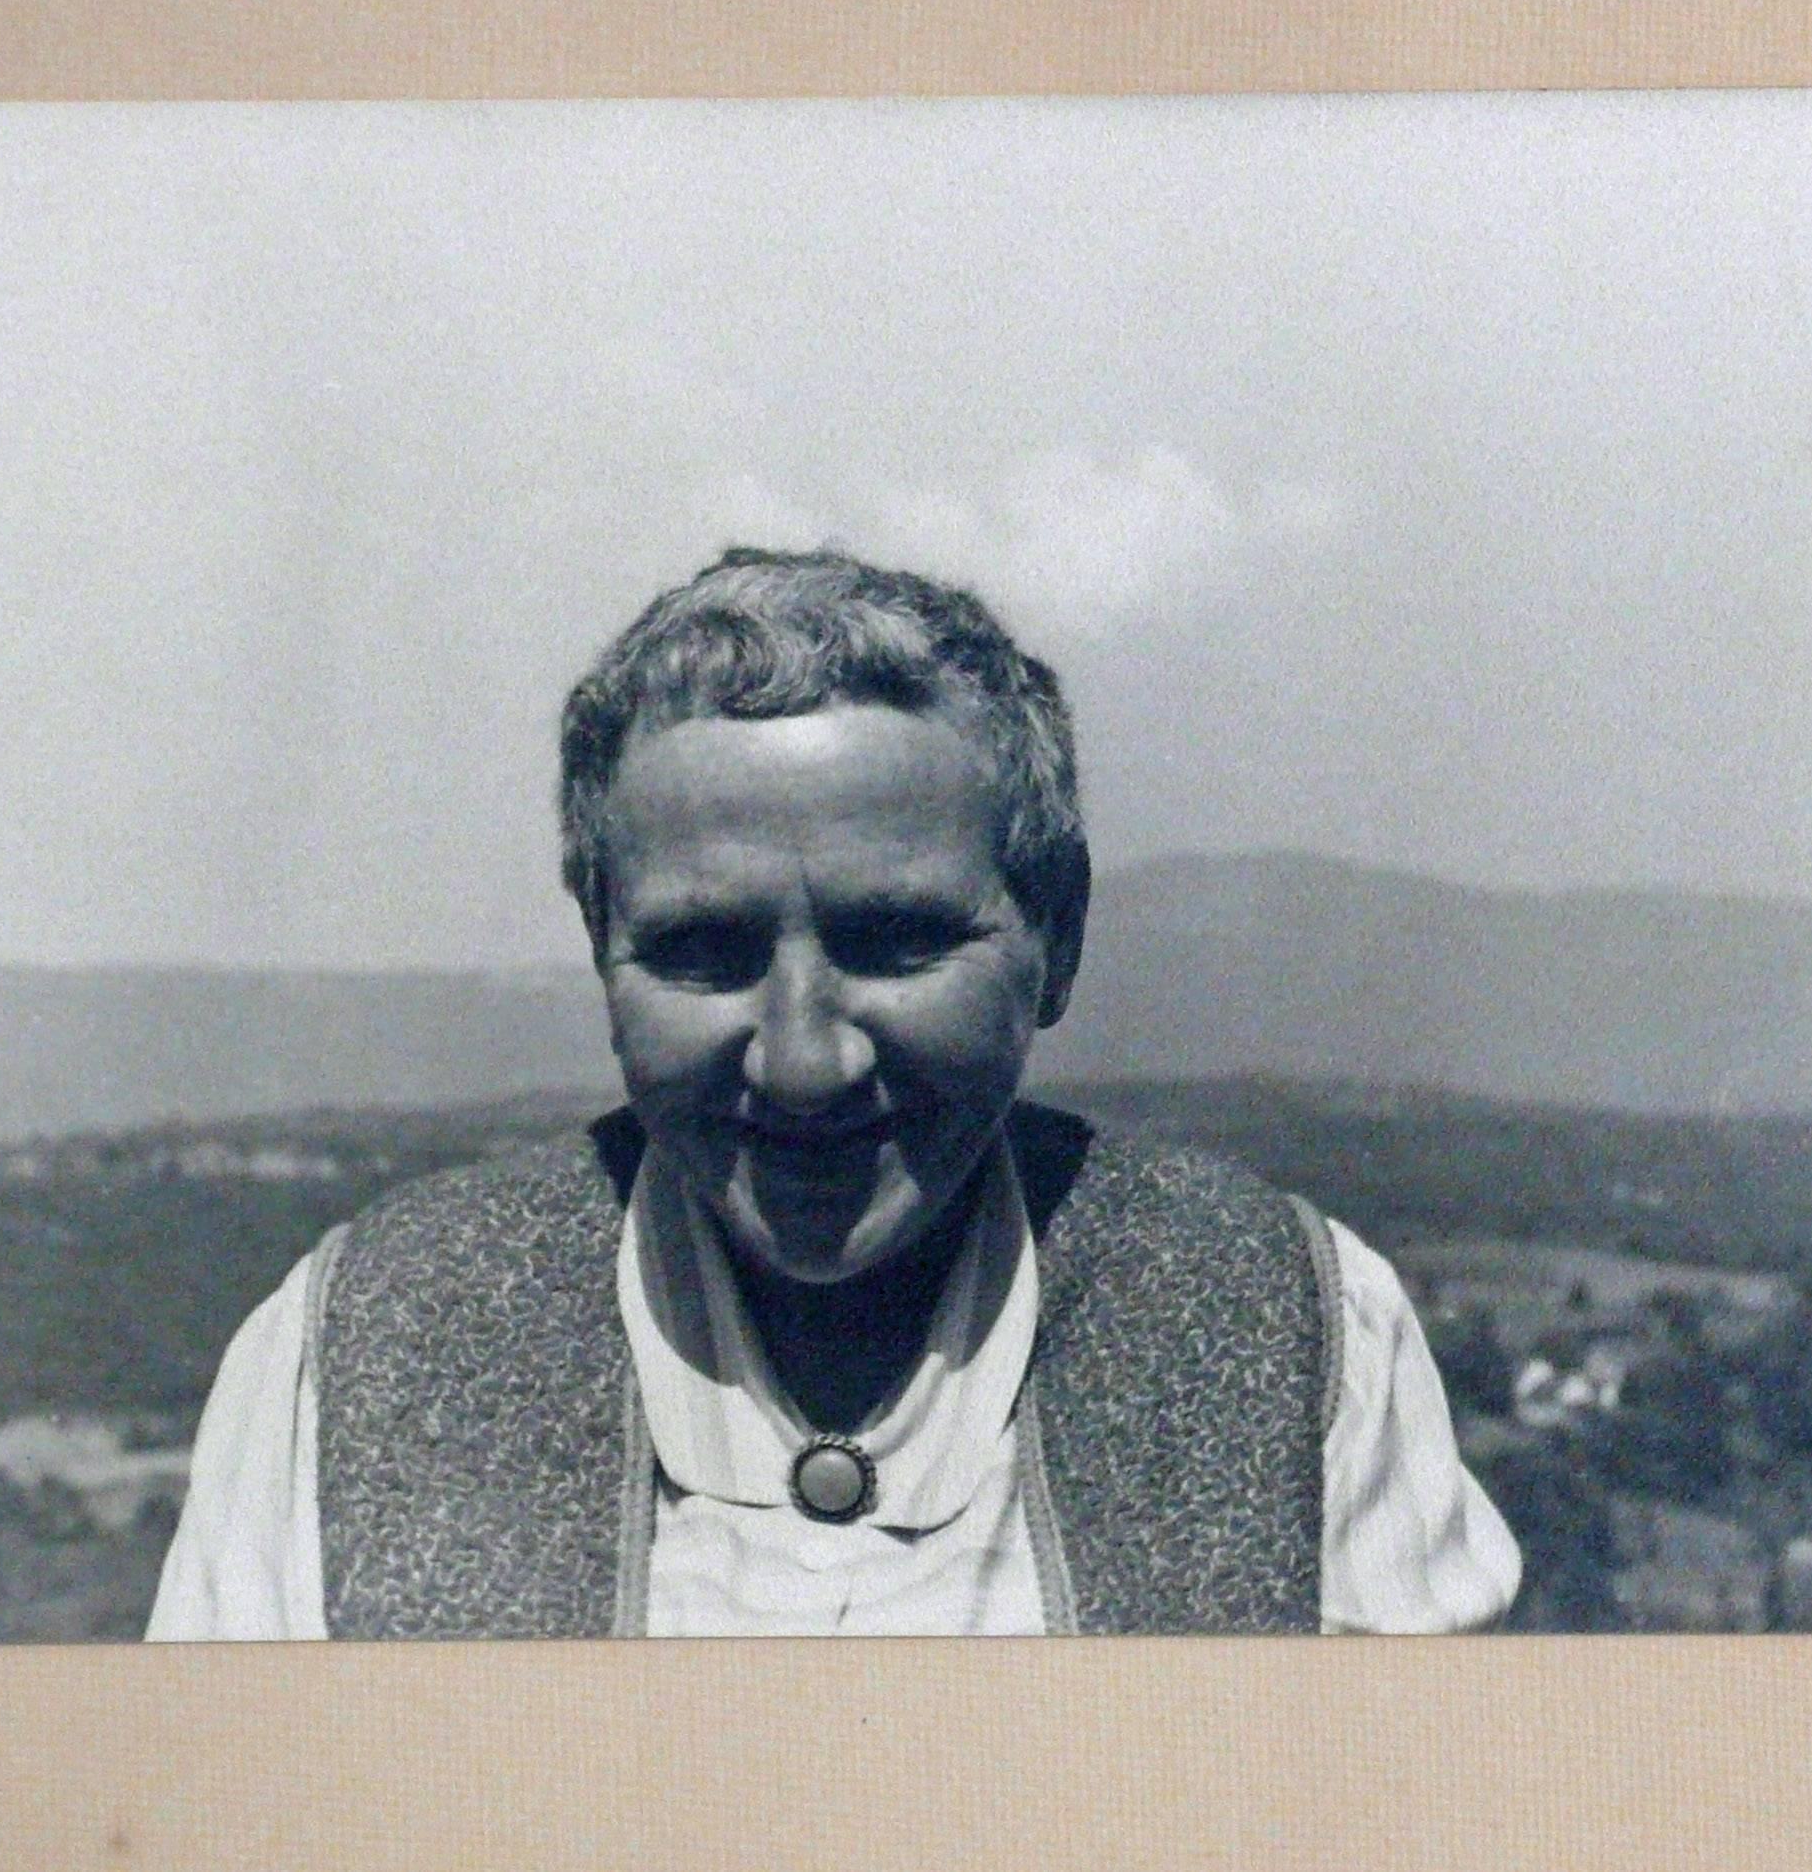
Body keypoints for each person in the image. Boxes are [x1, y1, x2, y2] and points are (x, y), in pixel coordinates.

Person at [149, 547, 1518, 1638]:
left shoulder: (1296, 1327)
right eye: (701, 953)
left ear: (1056, 937)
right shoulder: (354, 1351)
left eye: (895, 940)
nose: (804, 1060)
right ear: (597, 949)